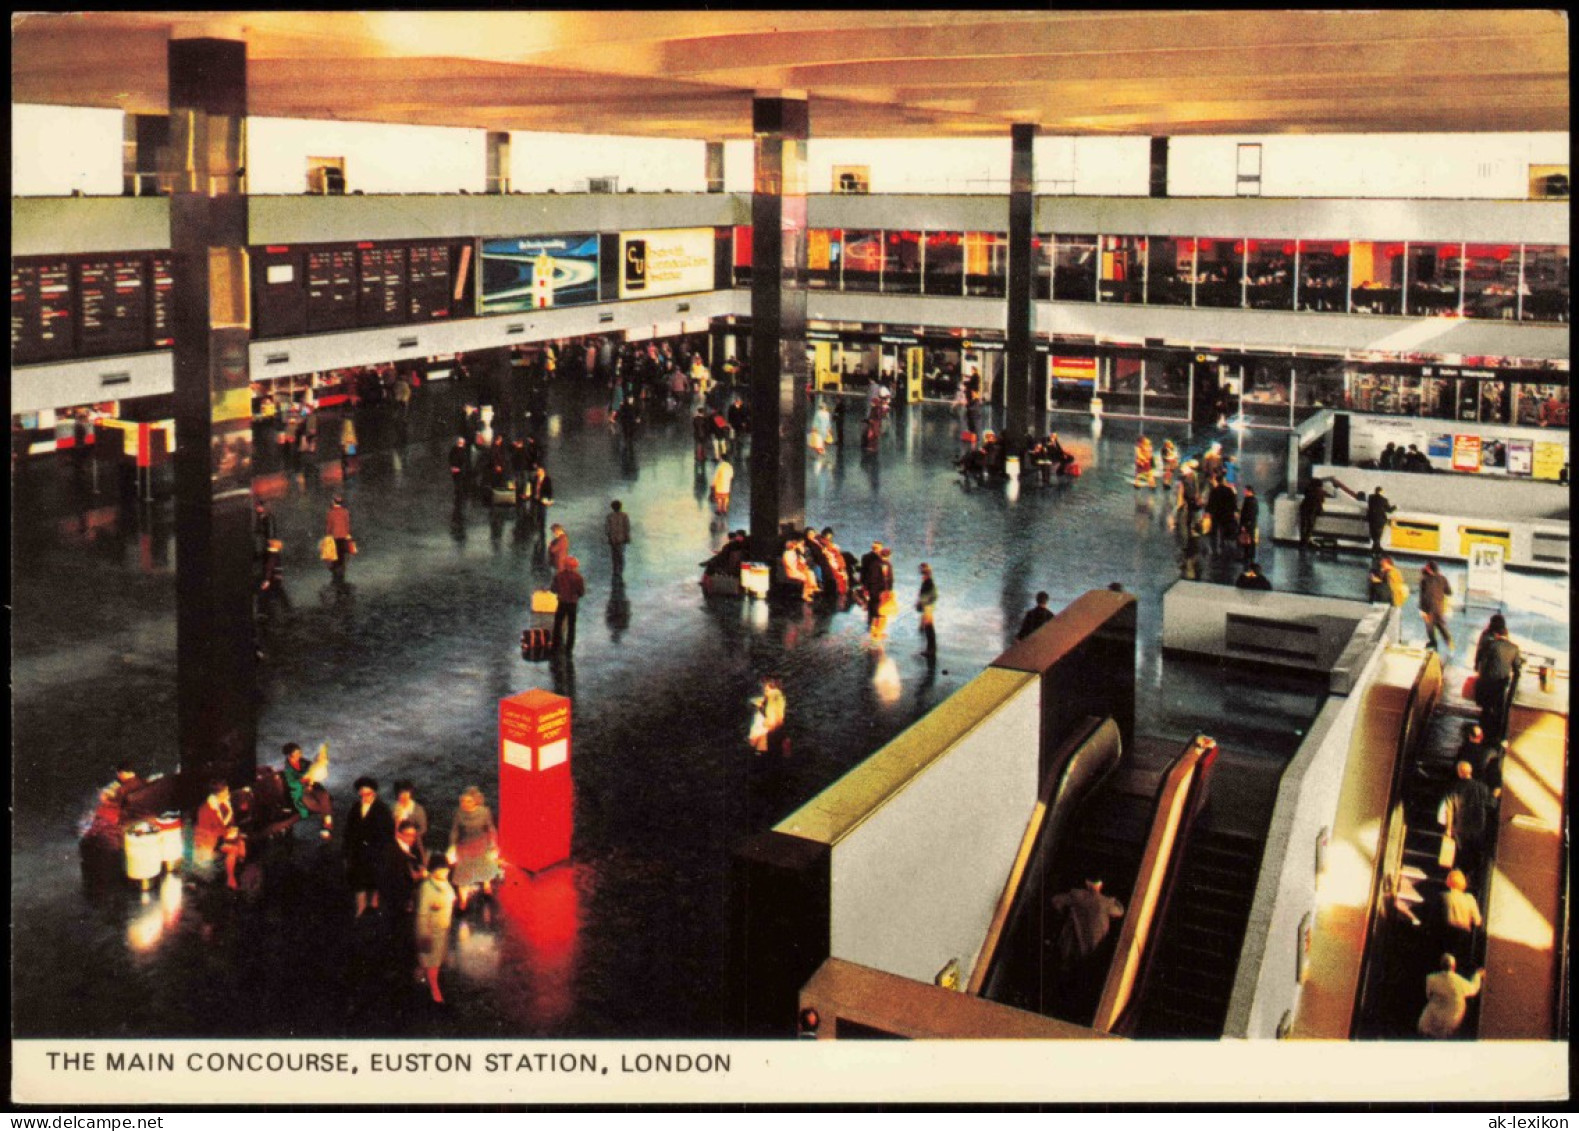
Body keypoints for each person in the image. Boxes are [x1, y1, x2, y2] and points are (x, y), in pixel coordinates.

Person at [342, 776, 395, 917]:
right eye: (362, 794)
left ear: (374, 794)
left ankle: (373, 917)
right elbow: (348, 832)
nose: (364, 797)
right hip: (358, 856)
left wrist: (380, 852)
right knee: (359, 887)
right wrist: (347, 854)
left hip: (375, 856)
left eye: (368, 794)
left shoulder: (382, 810)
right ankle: (360, 915)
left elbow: (388, 835)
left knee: (374, 888)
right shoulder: (355, 809)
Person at [1049, 879, 1125, 971]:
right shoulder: (1106, 902)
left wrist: (1063, 912)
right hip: (1093, 947)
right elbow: (1120, 911)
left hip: (1077, 945)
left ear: (1087, 884)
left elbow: (1056, 901)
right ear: (1100, 885)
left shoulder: (1077, 895)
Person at [1438, 761, 1497, 877]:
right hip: (1479, 828)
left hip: (1460, 828)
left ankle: (1457, 877)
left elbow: (1449, 810)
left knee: (1460, 856)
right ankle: (1470, 878)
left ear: (1459, 773)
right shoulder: (1482, 787)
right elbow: (1493, 804)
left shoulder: (1454, 788)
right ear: (1471, 772)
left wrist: (1448, 829)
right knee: (1475, 855)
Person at [448, 787, 501, 912]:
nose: (465, 804)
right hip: (465, 847)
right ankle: (463, 902)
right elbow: (455, 830)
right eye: (463, 802)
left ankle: (487, 888)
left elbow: (490, 828)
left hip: (481, 845)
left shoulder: (484, 812)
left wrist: (493, 844)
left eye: (469, 802)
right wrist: (452, 845)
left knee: (485, 869)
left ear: (475, 802)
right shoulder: (458, 814)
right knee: (463, 876)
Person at [414, 852, 457, 1004]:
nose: (445, 872)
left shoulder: (445, 884)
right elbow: (422, 914)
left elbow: (451, 899)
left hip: (442, 929)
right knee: (433, 962)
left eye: (445, 869)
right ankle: (434, 988)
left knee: (432, 959)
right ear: (433, 870)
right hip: (431, 932)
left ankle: (420, 973)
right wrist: (424, 933)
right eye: (441, 869)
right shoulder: (427, 887)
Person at [1473, 615, 1522, 746]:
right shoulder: (1514, 648)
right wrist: (1513, 689)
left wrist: (1478, 671)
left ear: (1495, 632)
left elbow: (1481, 661)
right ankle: (1499, 739)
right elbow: (1518, 671)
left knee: (1486, 711)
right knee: (1501, 713)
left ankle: (1482, 737)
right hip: (1502, 685)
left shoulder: (1490, 644)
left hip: (1487, 683)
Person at [1417, 953, 1483, 1039]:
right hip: (1450, 1021)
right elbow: (1473, 989)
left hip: (1432, 1019)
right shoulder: (1458, 981)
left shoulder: (1431, 979)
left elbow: (1428, 995)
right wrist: (1477, 975)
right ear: (1454, 967)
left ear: (1441, 965)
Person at [193, 779, 239, 883]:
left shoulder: (220, 805)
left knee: (239, 842)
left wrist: (229, 811)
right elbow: (209, 833)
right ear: (219, 794)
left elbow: (221, 825)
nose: (228, 794)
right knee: (233, 849)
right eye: (226, 792)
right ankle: (230, 879)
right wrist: (227, 833)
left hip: (215, 839)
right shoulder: (205, 810)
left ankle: (234, 874)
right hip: (207, 844)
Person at [551, 554, 586, 656]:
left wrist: (560, 592)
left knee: (558, 623)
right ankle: (569, 648)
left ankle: (556, 643)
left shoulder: (559, 576)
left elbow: (553, 589)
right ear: (575, 566)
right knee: (571, 625)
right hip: (572, 603)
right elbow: (581, 593)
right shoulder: (578, 578)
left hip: (561, 602)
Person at [1418, 559, 1454, 652]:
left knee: (1430, 627)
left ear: (1429, 569)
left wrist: (1421, 609)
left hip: (1428, 608)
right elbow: (1449, 592)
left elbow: (1422, 596)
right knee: (1441, 626)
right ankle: (1449, 643)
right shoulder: (1442, 578)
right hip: (1439, 607)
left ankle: (1433, 643)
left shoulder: (1424, 580)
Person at [1369, 556, 1409, 643]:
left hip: (1392, 600)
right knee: (1394, 620)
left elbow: (1389, 587)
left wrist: (1377, 581)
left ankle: (1384, 639)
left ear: (1387, 563)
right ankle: (1396, 638)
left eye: (1383, 564)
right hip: (1397, 600)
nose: (1381, 566)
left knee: (1388, 620)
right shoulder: (1396, 572)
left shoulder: (1391, 574)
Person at [748, 677, 788, 755]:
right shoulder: (779, 696)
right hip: (774, 731)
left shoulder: (773, 696)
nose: (765, 692)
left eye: (766, 690)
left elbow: (771, 717)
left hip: (768, 732)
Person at [1440, 869, 1483, 938]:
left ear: (1448, 882)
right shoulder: (1469, 898)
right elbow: (1477, 922)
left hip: (1446, 932)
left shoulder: (1443, 896)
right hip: (1463, 935)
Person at [391, 780, 429, 856]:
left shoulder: (418, 809)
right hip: (396, 840)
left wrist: (409, 837)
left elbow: (423, 829)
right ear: (397, 794)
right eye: (401, 793)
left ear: (410, 793)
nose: (404, 796)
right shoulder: (393, 808)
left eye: (407, 793)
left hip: (414, 842)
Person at [1298, 477, 1333, 546]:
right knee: (1310, 526)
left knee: (1303, 525)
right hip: (1312, 510)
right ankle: (1306, 541)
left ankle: (1303, 541)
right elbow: (1325, 498)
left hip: (1304, 508)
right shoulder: (1320, 492)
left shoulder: (1308, 490)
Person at [325, 495, 353, 582]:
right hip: (343, 535)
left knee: (335, 551)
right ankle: (341, 566)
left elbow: (329, 525)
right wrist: (347, 532)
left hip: (335, 535)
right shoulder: (345, 512)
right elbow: (347, 524)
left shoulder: (331, 512)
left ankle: (335, 567)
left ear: (334, 502)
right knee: (342, 552)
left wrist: (328, 533)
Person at [915, 563, 938, 662]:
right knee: (928, 628)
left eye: (921, 571)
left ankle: (931, 650)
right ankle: (930, 649)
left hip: (928, 606)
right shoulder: (929, 581)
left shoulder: (928, 582)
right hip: (928, 606)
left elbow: (931, 595)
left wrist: (921, 602)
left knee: (929, 628)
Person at [1364, 485, 1395, 553]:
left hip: (1372, 519)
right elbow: (1389, 510)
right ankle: (1377, 550)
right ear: (1381, 492)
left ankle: (1375, 549)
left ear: (1375, 491)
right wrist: (1395, 507)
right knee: (1378, 535)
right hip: (1381, 520)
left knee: (1374, 535)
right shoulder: (1384, 500)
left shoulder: (1371, 498)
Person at [605, 500, 632, 576]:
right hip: (622, 539)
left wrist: (609, 537)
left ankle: (615, 569)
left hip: (613, 539)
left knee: (614, 555)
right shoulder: (624, 516)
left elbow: (607, 529)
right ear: (620, 507)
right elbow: (627, 527)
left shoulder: (609, 516)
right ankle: (620, 570)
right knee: (621, 555)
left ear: (612, 507)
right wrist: (627, 537)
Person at [1237, 485, 1260, 562]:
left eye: (1245, 490)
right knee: (1249, 539)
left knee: (1247, 540)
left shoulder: (1249, 501)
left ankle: (1247, 556)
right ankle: (1250, 556)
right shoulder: (1253, 500)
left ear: (1249, 491)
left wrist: (1244, 524)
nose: (1244, 492)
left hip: (1248, 523)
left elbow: (1248, 514)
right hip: (1251, 523)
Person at [447, 437, 470, 504]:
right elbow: (451, 458)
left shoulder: (461, 450)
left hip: (459, 470)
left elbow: (464, 462)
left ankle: (459, 496)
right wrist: (453, 467)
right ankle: (459, 496)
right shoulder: (456, 450)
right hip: (456, 470)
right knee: (457, 482)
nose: (461, 443)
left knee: (459, 483)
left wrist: (458, 468)